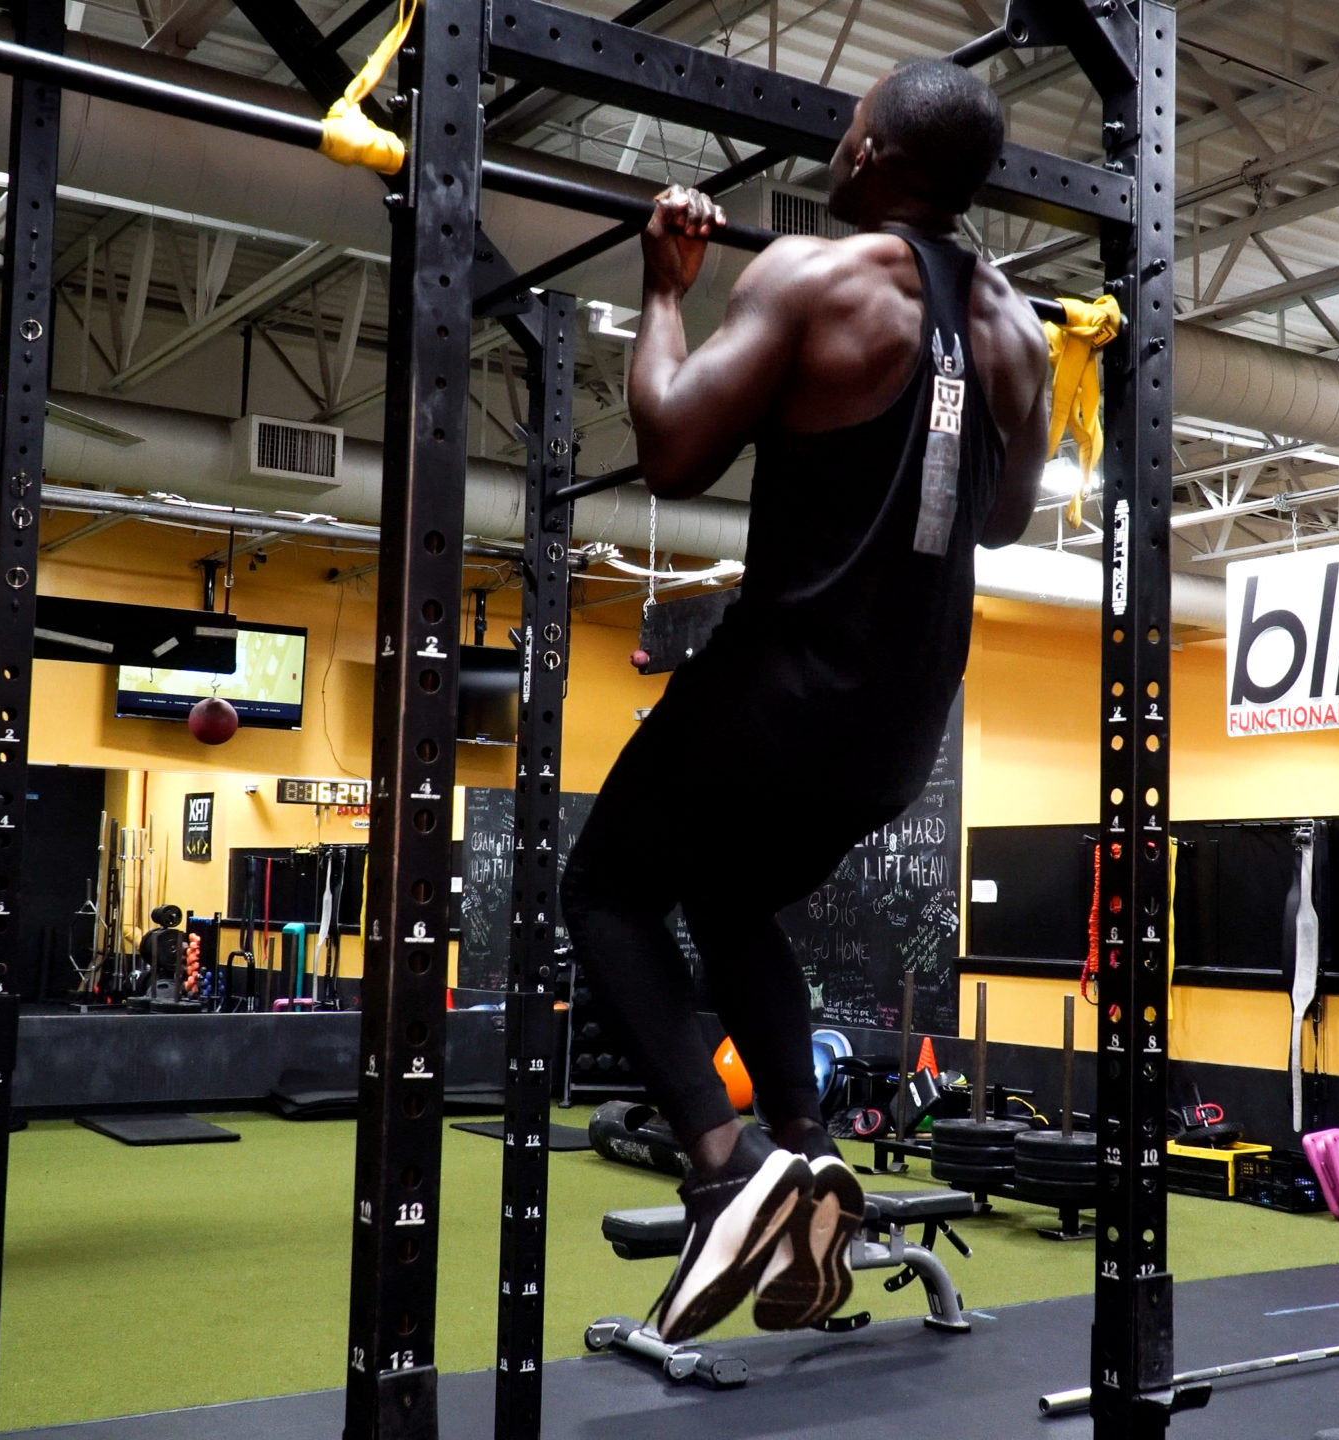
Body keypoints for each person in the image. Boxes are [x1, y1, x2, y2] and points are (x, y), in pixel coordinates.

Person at [559, 58, 1051, 1343]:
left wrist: (664, 294)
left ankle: (725, 1172)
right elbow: (1000, 518)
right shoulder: (1020, 330)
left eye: (847, 128)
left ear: (873, 156)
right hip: (898, 735)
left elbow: (669, 449)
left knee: (605, 892)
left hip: (776, 692)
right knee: (724, 895)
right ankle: (802, 1147)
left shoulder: (813, 280)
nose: (836, 143)